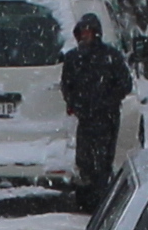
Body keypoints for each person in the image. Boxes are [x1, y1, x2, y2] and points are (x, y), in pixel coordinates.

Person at [59, 11, 139, 202]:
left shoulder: (110, 56)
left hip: (106, 117)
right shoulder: (73, 58)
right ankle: (86, 196)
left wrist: (107, 101)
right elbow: (67, 85)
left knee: (103, 161)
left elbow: (125, 84)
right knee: (84, 160)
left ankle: (101, 196)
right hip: (85, 118)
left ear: (96, 32)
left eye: (89, 31)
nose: (85, 35)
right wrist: (76, 105)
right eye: (82, 32)